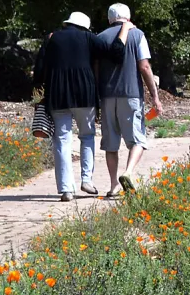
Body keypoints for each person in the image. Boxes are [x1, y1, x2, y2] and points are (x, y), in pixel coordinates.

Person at [32, 11, 129, 202]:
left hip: (58, 96)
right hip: (85, 95)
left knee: (61, 141)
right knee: (87, 136)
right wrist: (125, 27)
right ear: (85, 26)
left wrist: (40, 93)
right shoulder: (89, 38)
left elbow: (39, 72)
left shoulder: (51, 38)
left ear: (67, 24)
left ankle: (67, 189)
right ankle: (87, 180)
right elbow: (116, 53)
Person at [97, 3, 164, 196]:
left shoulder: (100, 38)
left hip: (107, 95)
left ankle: (112, 186)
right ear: (128, 17)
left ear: (110, 18)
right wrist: (155, 96)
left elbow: (96, 69)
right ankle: (128, 172)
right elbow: (144, 66)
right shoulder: (137, 35)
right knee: (138, 139)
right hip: (131, 94)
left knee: (111, 144)